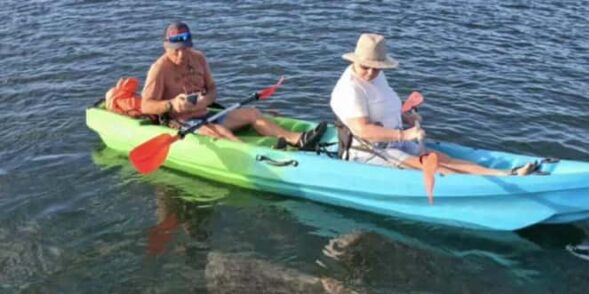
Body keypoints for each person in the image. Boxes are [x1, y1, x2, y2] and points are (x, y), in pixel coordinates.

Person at [330, 34, 535, 175]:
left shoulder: (376, 76)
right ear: (355, 61)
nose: (370, 72)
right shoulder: (350, 88)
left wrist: (406, 117)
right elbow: (363, 130)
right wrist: (404, 134)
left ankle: (505, 174)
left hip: (393, 142)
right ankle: (492, 186)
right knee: (436, 169)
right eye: (365, 67)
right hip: (368, 150)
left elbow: (383, 106)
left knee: (443, 159)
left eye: (376, 67)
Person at [141, 22, 326, 149]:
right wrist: (171, 104)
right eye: (176, 50)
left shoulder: (198, 58)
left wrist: (206, 100)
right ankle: (256, 156)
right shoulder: (159, 69)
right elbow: (145, 105)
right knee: (221, 132)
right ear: (166, 47)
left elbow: (212, 89)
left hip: (206, 113)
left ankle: (298, 139)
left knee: (252, 113)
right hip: (181, 121)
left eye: (185, 48)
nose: (182, 55)